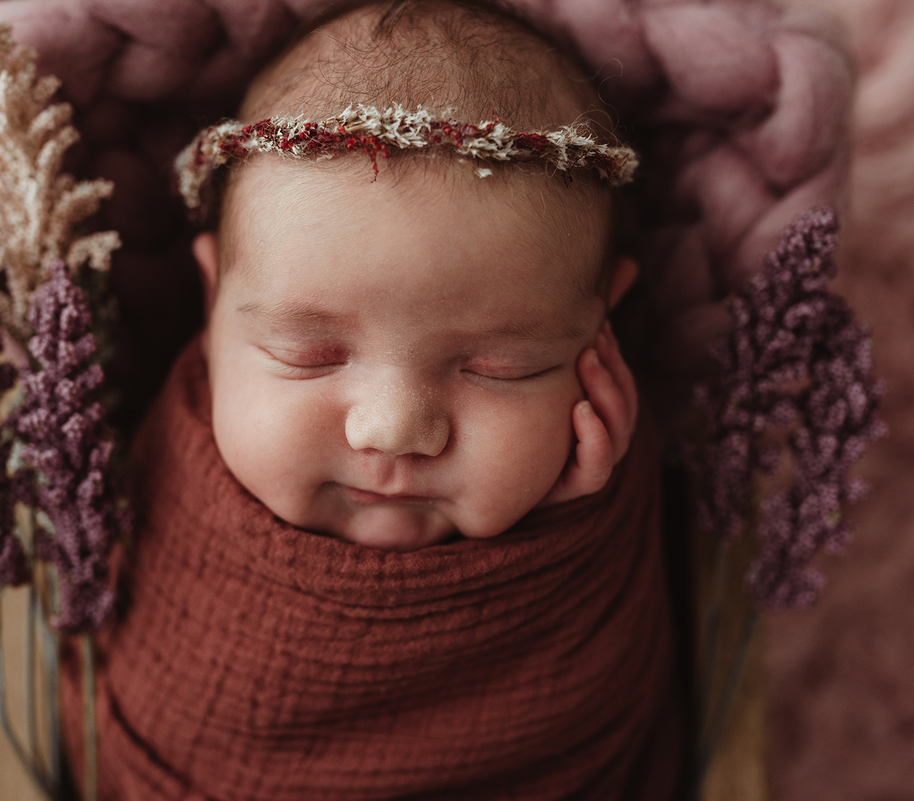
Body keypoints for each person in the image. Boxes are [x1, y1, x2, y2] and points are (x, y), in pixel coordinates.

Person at [72, 1, 684, 797]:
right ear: (213, 302)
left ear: (600, 330)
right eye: (310, 353)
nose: (394, 428)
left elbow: (606, 687)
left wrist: (579, 521)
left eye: (499, 367)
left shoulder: (597, 510)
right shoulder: (161, 456)